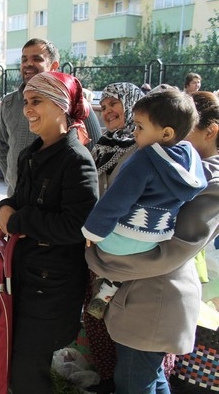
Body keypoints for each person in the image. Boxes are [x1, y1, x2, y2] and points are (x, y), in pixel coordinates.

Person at [85, 91, 219, 394]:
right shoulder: (178, 165)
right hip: (143, 297)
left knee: (135, 381)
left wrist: (100, 258)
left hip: (155, 299)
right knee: (148, 377)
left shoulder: (208, 180)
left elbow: (175, 250)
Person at [0, 71, 98, 393]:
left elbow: (77, 226)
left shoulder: (76, 161)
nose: (28, 109)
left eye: (36, 101)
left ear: (61, 105)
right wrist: (2, 209)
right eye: (26, 101)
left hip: (50, 287)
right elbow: (16, 201)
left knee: (27, 369)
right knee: (20, 361)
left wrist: (17, 221)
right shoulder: (31, 154)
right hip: (24, 278)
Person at [82, 90, 207, 319]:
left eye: (140, 127)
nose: (135, 133)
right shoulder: (190, 157)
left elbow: (116, 201)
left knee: (90, 246)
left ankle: (104, 290)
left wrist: (92, 231)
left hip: (121, 237)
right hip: (154, 239)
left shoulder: (144, 159)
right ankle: (110, 289)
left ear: (166, 133)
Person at [81, 81, 144, 394]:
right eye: (103, 106)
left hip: (126, 251)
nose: (106, 112)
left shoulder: (142, 148)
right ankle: (107, 378)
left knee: (123, 318)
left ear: (131, 105)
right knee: (95, 313)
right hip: (96, 247)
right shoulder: (102, 144)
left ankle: (128, 381)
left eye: (113, 104)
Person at [0, 38, 102, 196]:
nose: (28, 64)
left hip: (58, 203)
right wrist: (14, 179)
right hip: (17, 197)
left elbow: (96, 152)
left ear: (54, 66)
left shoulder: (74, 102)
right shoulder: (9, 103)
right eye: (24, 59)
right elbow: (1, 144)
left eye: (37, 59)